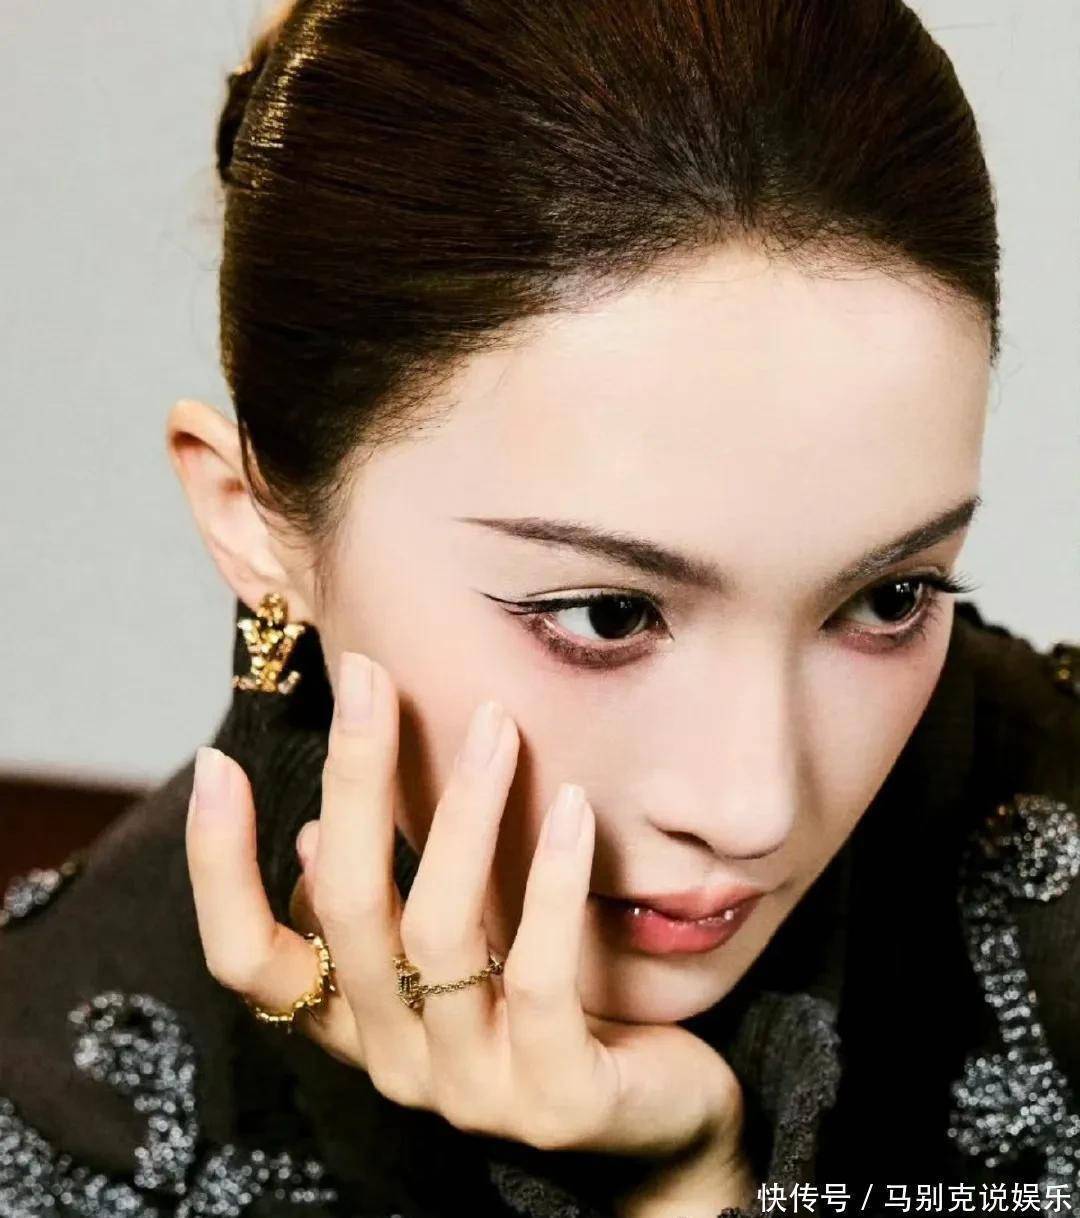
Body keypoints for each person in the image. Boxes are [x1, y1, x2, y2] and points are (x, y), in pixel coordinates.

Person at [1, 0, 1078, 1215]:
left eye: (889, 597)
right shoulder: (56, 1123)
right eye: (608, 615)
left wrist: (691, 1184)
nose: (754, 806)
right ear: (254, 522)